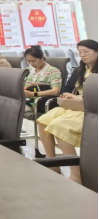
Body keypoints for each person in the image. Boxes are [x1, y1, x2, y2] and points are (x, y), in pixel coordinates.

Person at [38, 39, 98, 184]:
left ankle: (76, 174)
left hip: (90, 108)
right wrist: (67, 95)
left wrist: (79, 97)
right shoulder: (79, 70)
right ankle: (53, 164)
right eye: (80, 52)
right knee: (42, 121)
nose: (82, 55)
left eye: (86, 52)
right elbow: (66, 88)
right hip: (74, 105)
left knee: (59, 126)